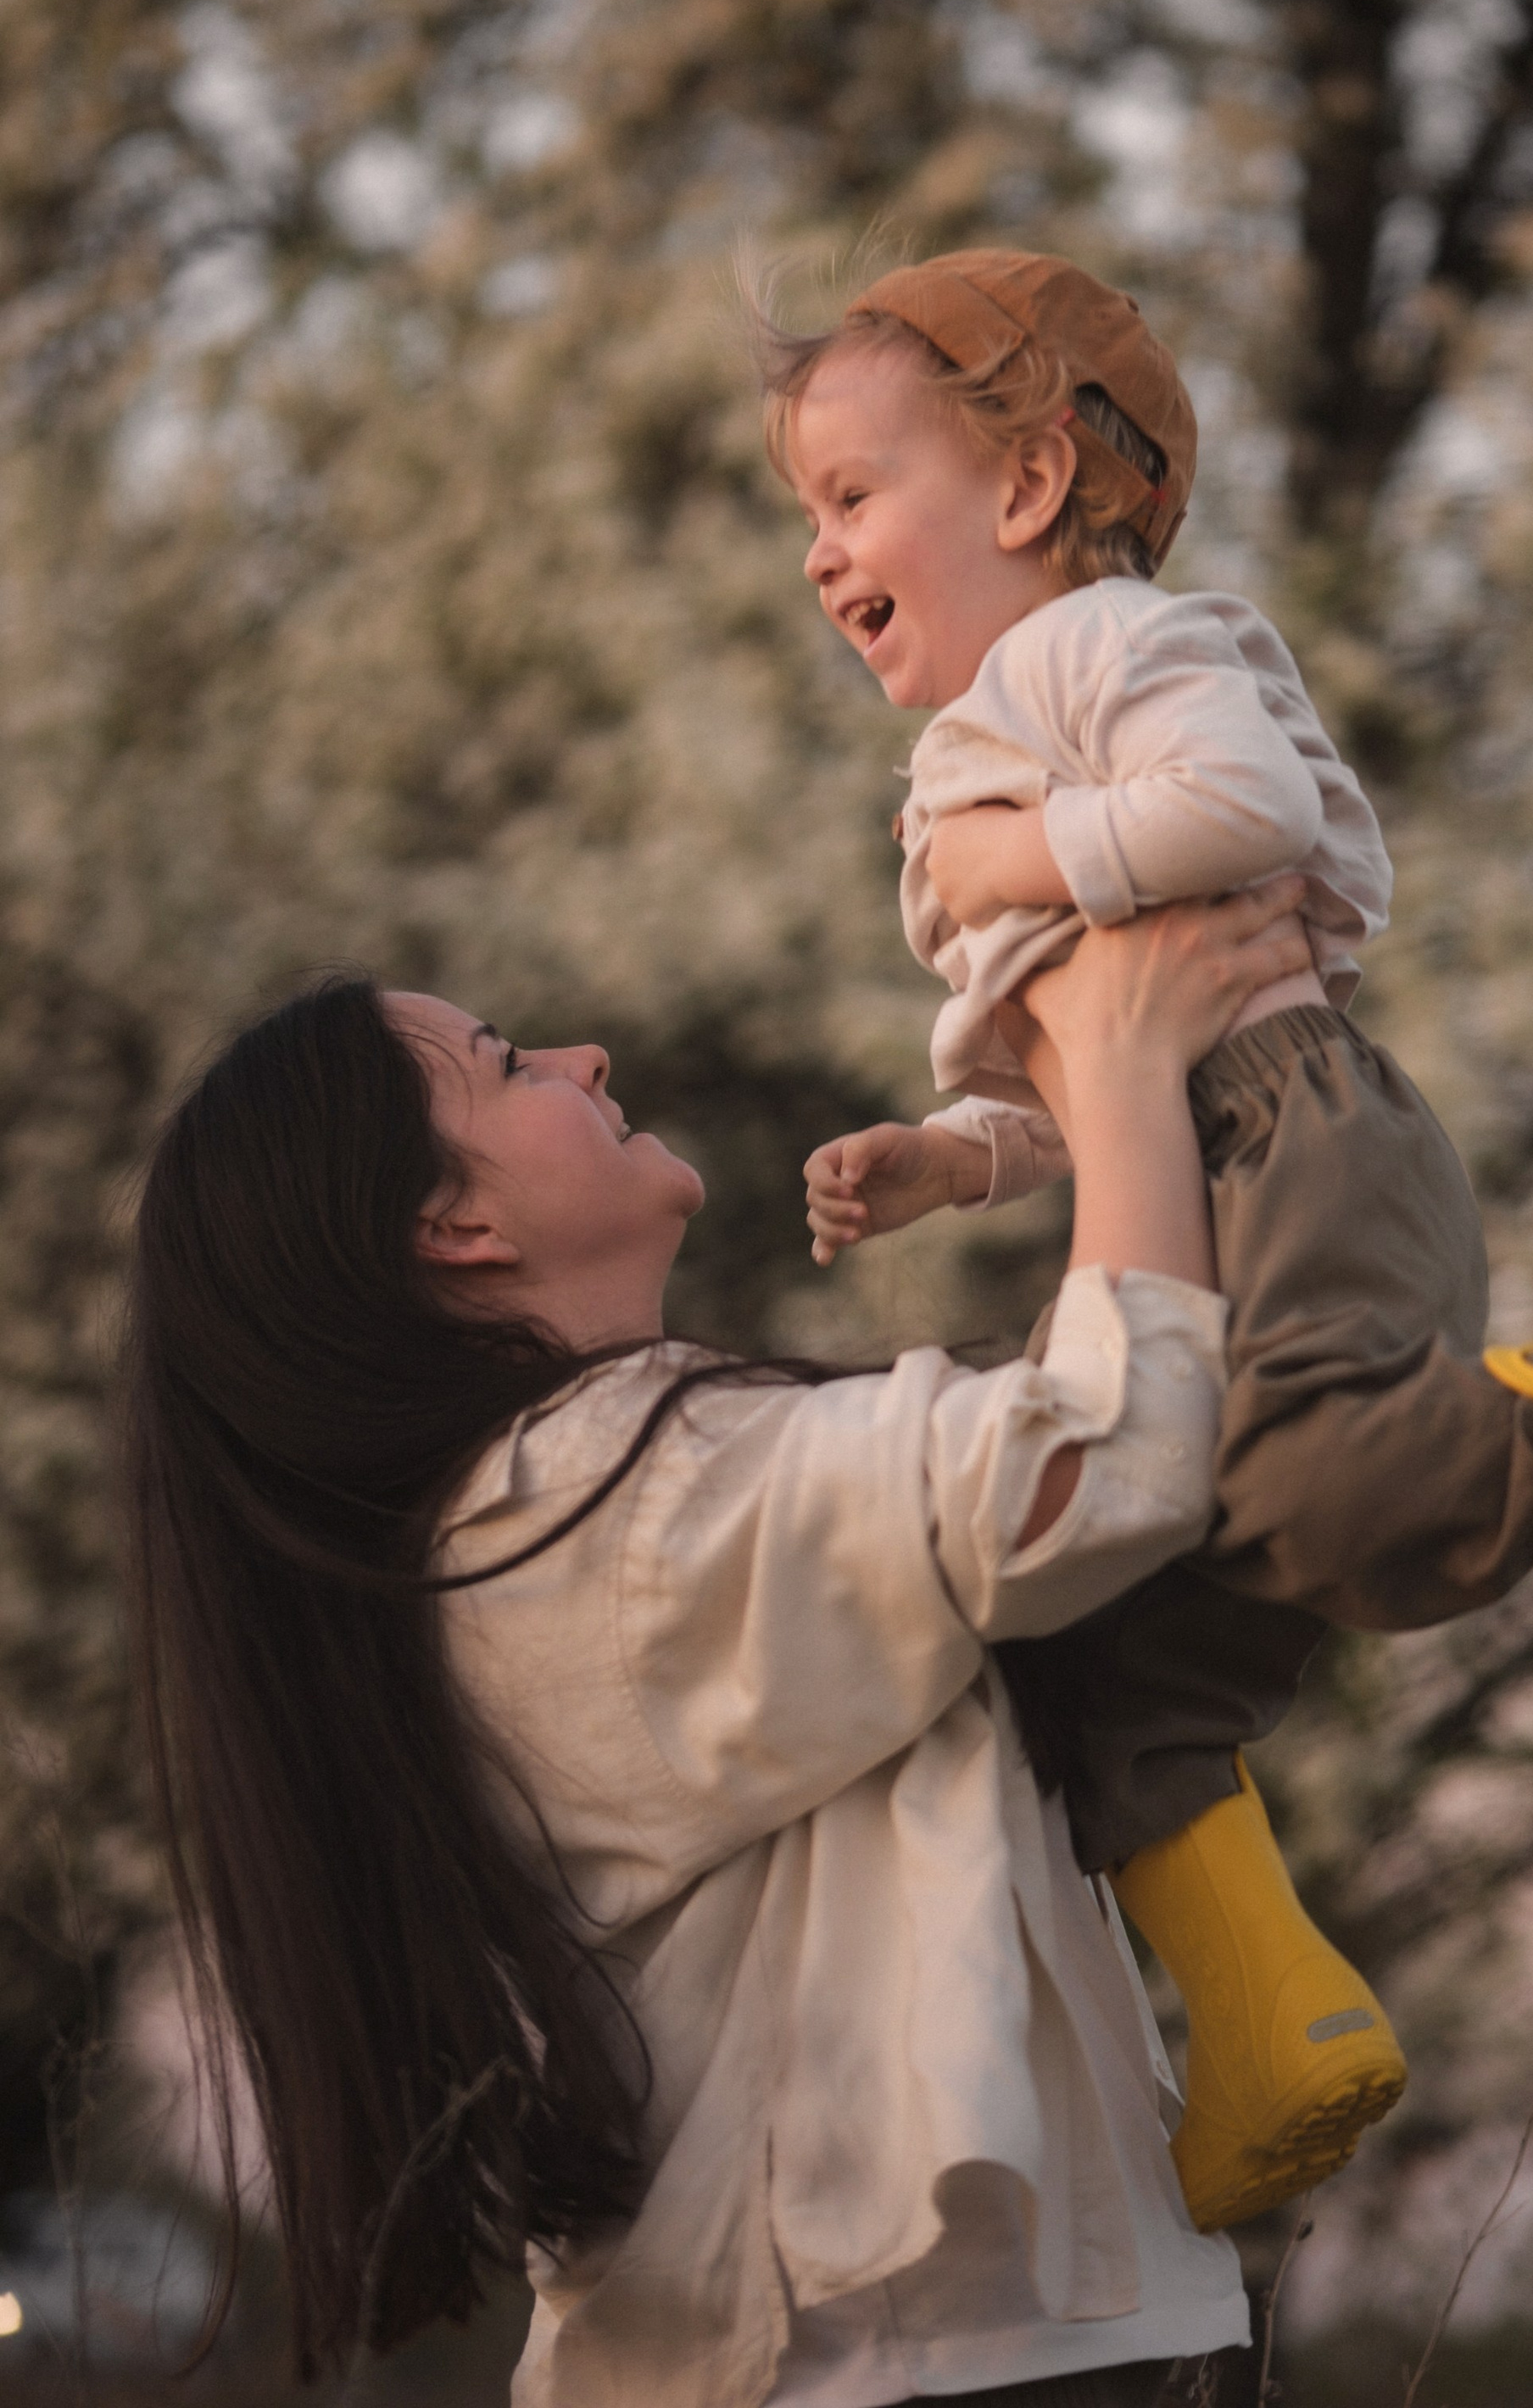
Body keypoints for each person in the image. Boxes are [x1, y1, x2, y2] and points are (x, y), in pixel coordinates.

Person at [762, 247, 1533, 2231]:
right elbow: (1086, 1060)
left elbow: (1235, 805)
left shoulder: (1103, 648)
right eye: (802, 514)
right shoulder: (974, 737)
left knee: (1327, 1484)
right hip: (1186, 1151)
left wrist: (1020, 850)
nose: (820, 553)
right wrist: (953, 1160)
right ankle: (1267, 2017)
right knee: (1099, 1650)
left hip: (1294, 1136)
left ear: (1022, 491)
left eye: (848, 493)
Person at [120, 881, 1321, 2402]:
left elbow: (1072, 1454)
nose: (588, 1056)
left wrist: (1041, 1122)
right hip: (907, 2364)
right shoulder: (603, 1506)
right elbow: (1098, 1456)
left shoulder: (563, 1508)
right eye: (507, 1065)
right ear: (455, 1225)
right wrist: (1126, 1051)